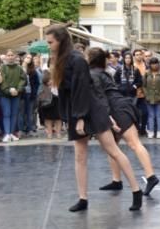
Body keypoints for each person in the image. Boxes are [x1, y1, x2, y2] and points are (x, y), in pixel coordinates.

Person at [45, 24, 143, 212]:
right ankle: (83, 198)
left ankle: (136, 190)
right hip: (78, 111)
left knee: (113, 151)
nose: (48, 45)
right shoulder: (61, 59)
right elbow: (67, 91)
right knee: (80, 155)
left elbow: (83, 89)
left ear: (61, 41)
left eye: (50, 42)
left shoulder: (77, 60)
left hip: (90, 110)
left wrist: (80, 117)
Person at [87, 48, 159, 196]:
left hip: (118, 109)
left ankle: (151, 176)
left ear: (91, 59)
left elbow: (101, 97)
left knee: (134, 143)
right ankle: (116, 180)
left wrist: (108, 116)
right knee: (112, 147)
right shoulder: (101, 72)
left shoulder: (93, 74)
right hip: (120, 106)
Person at [0, 49, 26, 142]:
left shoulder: (19, 68)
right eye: (8, 55)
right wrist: (9, 90)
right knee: (7, 114)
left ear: (15, 57)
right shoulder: (2, 67)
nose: (10, 57)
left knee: (14, 114)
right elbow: (2, 81)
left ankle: (11, 133)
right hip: (5, 95)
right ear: (6, 57)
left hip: (16, 94)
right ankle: (6, 133)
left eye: (12, 55)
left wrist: (18, 90)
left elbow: (23, 80)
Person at [144, 57, 160, 138]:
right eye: (152, 64)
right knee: (151, 115)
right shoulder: (147, 73)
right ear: (150, 65)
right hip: (149, 98)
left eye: (155, 63)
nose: (154, 65)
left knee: (159, 115)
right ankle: (151, 131)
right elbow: (144, 86)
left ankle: (159, 131)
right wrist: (146, 95)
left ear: (158, 64)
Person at [37, 69, 62, 139]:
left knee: (58, 118)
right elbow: (39, 96)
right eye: (49, 80)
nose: (50, 81)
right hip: (46, 104)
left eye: (51, 79)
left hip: (57, 101)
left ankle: (58, 133)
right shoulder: (43, 86)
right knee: (48, 119)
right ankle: (49, 133)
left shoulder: (57, 84)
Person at [19, 53, 40, 137]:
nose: (28, 59)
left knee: (29, 112)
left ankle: (30, 129)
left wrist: (34, 93)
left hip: (30, 94)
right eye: (27, 57)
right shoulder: (19, 68)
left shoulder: (33, 70)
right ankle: (21, 130)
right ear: (23, 58)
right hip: (21, 94)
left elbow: (36, 83)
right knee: (21, 113)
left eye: (30, 58)